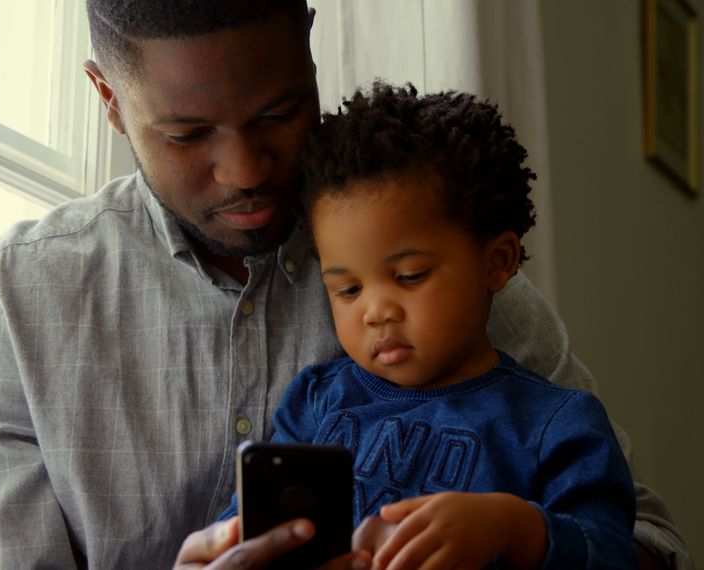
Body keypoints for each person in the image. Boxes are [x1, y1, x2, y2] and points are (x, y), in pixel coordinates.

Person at [0, 1, 691, 569]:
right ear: (109, 100)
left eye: (279, 113)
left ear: (311, 44)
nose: (245, 170)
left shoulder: (458, 284)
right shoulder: (14, 305)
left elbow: (646, 546)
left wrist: (520, 536)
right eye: (187, 135)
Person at [218, 81, 639, 569]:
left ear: (498, 262)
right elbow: (240, 537)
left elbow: (612, 555)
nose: (376, 311)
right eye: (348, 290)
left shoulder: (555, 425)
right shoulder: (315, 403)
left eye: (409, 276)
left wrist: (512, 527)